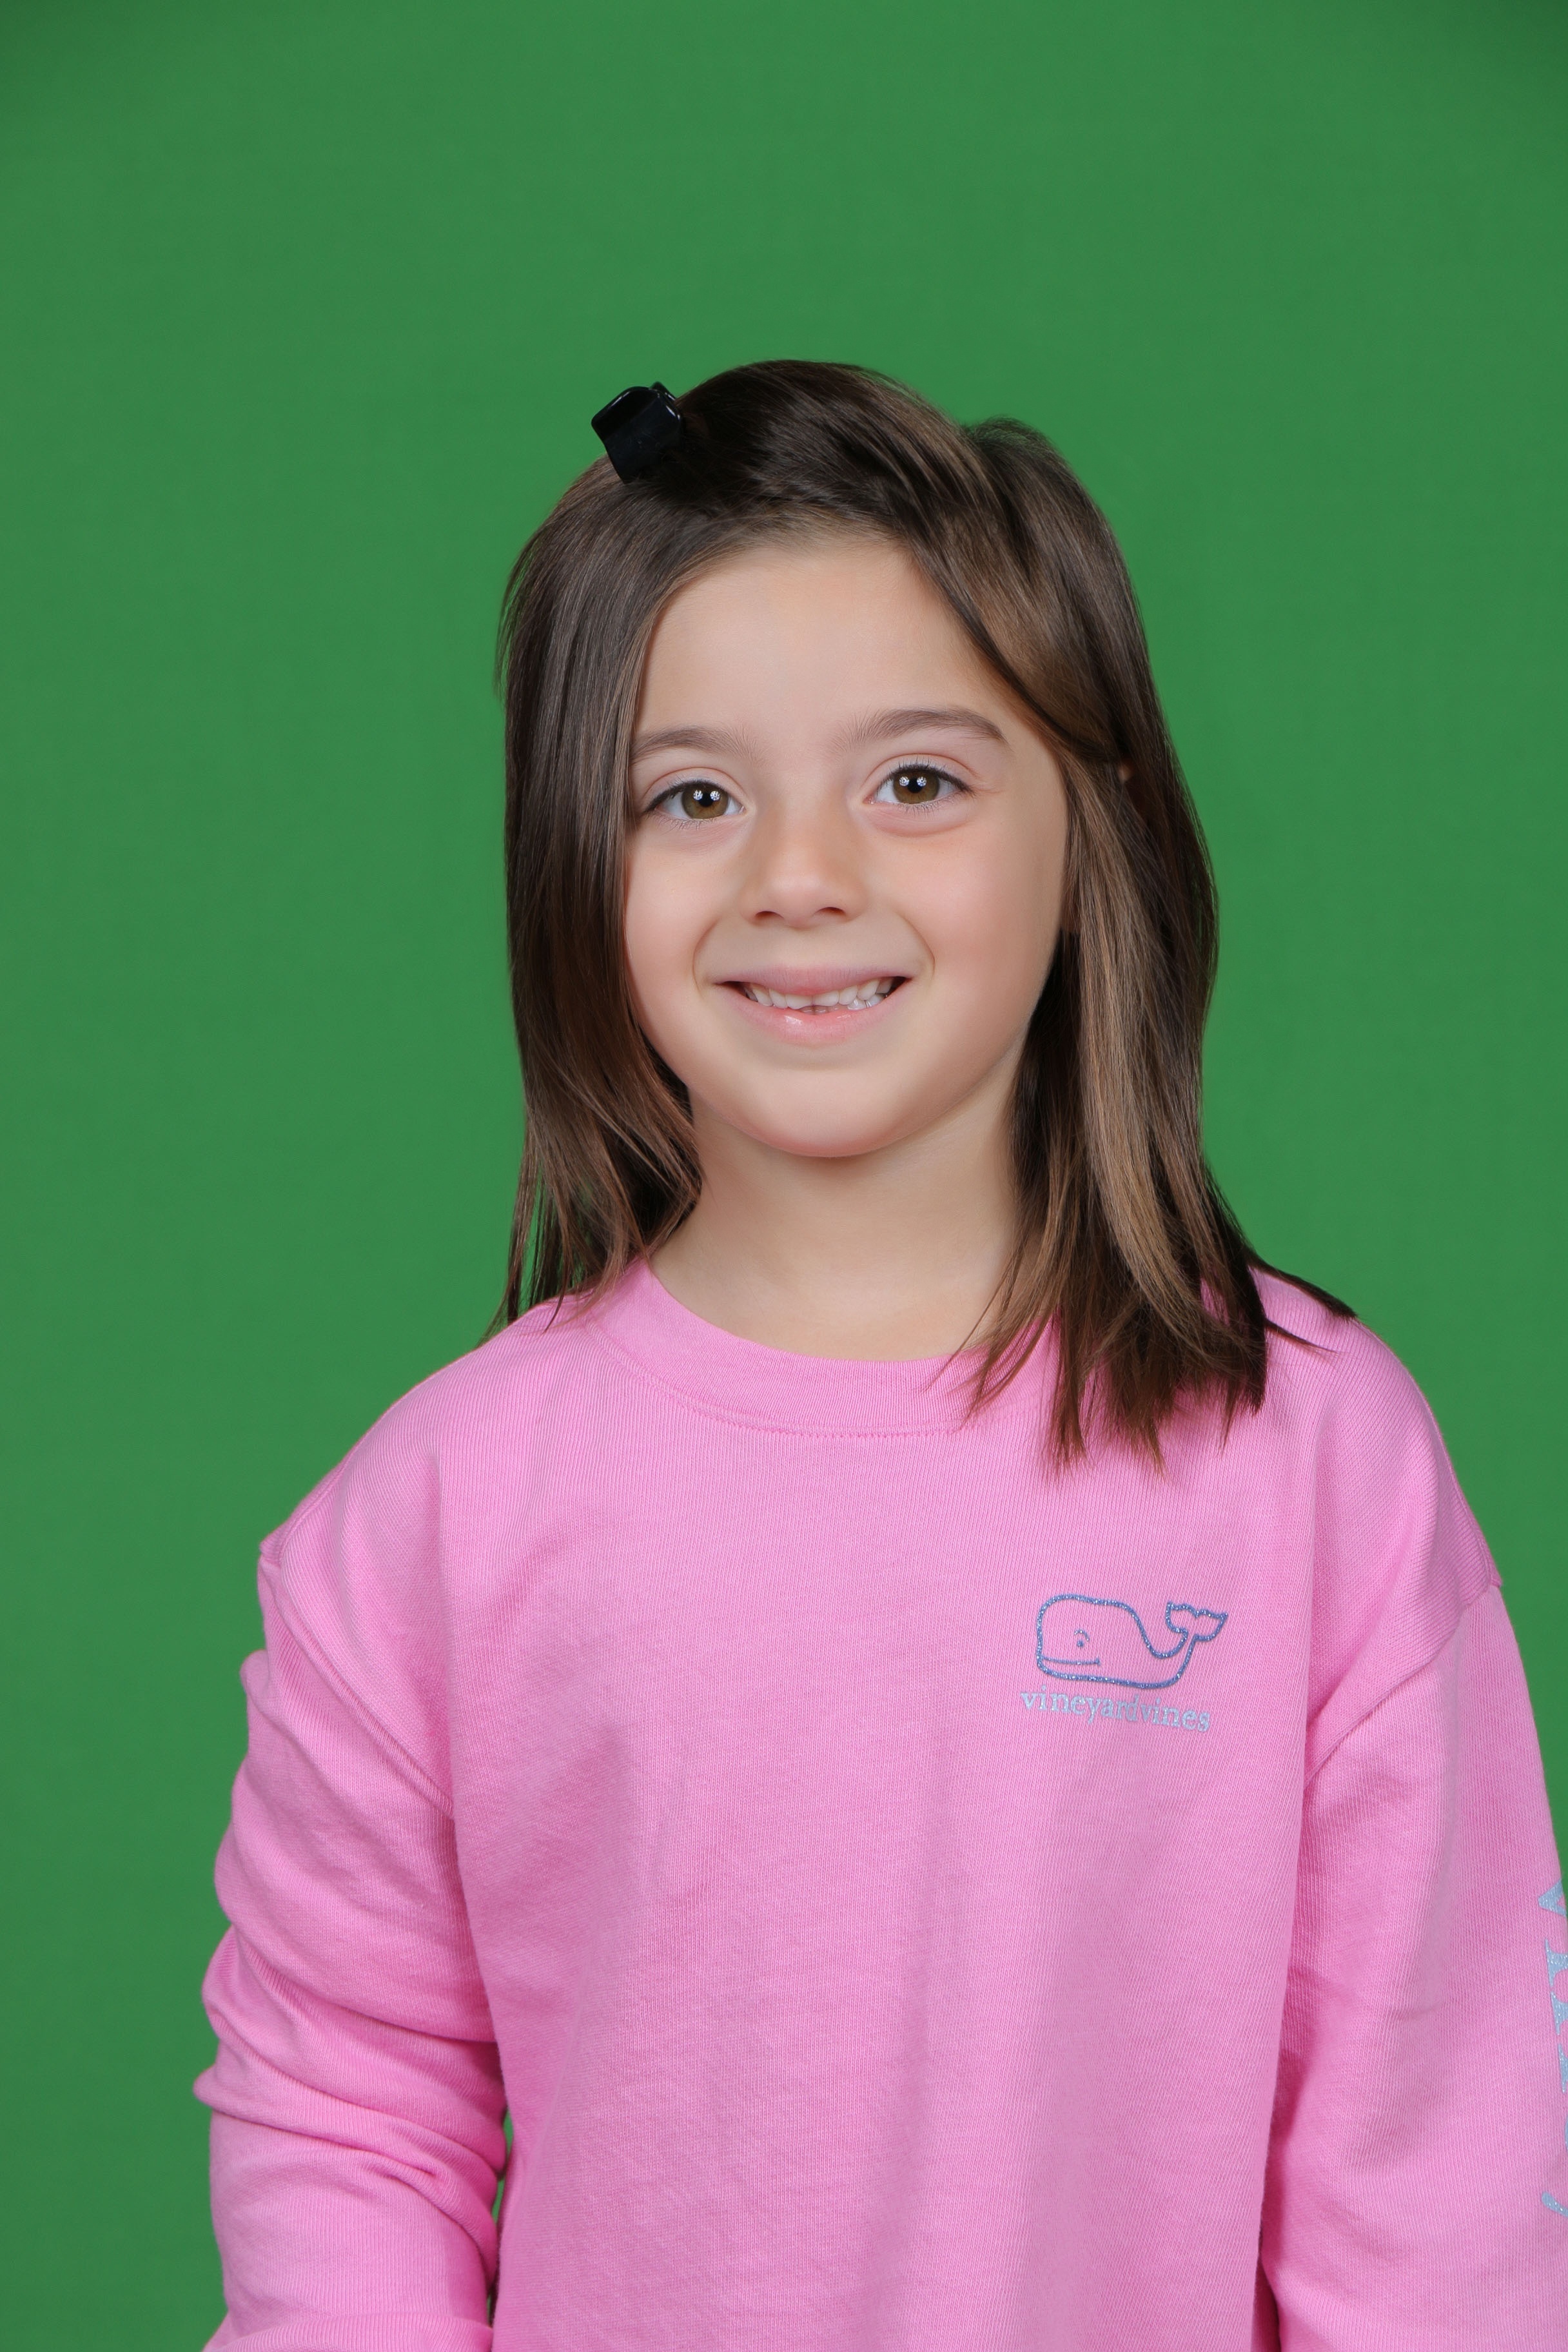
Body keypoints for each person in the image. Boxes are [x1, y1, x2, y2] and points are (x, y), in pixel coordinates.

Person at [195, 361, 1567, 2349]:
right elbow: (347, 2125)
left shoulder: (1306, 1457)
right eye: (693, 796)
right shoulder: (434, 1516)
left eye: (916, 781)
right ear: (575, 860)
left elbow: (1438, 2176)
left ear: (1094, 822)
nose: (802, 876)